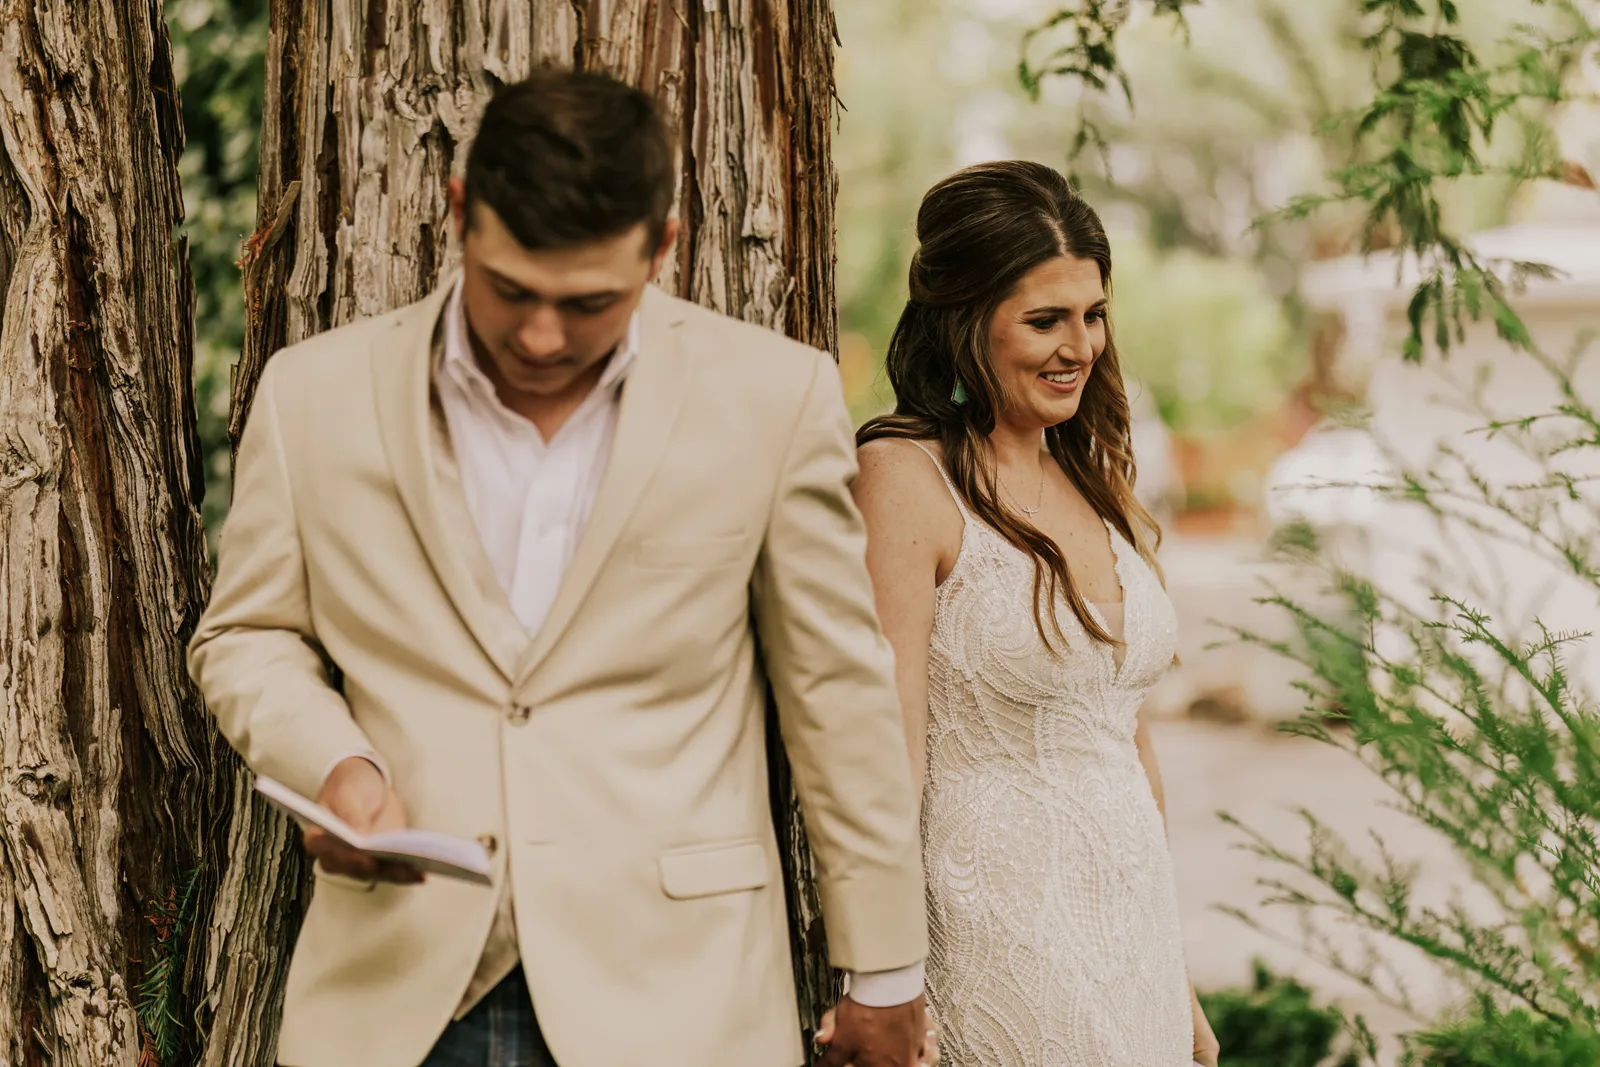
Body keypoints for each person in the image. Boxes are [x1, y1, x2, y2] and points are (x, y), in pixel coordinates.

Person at [189, 67, 932, 1067]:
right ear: (460, 213)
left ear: (661, 248)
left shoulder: (772, 396)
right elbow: (249, 633)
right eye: (511, 290)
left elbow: (836, 688)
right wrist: (337, 763)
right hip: (398, 995)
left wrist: (884, 966)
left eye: (588, 303)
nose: (541, 336)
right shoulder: (312, 394)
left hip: (680, 998)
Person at [850, 160, 1222, 1067]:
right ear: (965, 318)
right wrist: (883, 977)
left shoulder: (1093, 480)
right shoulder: (907, 477)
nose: (1080, 346)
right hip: (998, 940)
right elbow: (882, 746)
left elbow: (1128, 746)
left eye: (1092, 315)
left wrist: (1176, 978)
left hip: (1130, 941)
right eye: (1045, 320)